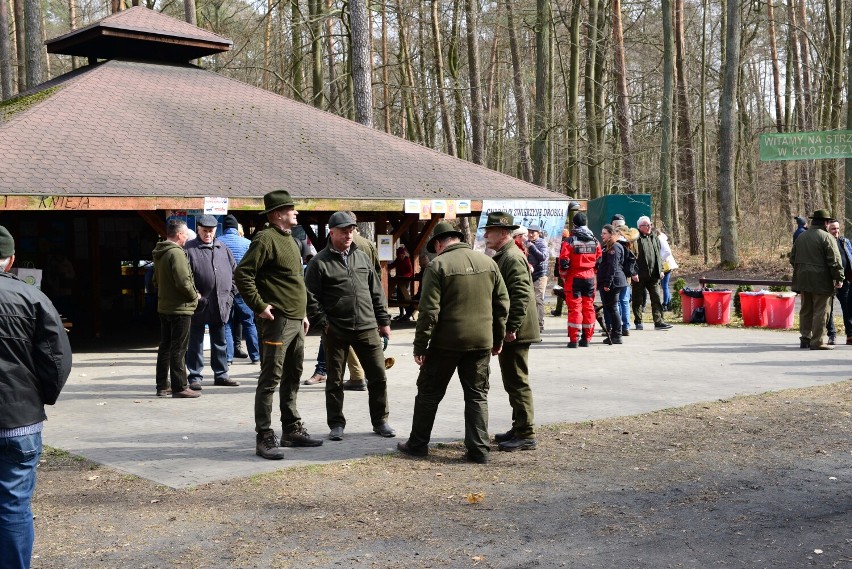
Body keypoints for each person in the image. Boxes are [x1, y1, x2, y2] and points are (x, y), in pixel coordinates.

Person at [397, 222, 509, 464]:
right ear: (457, 238)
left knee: (428, 393)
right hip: (481, 342)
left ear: (439, 243)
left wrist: (420, 346)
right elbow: (502, 304)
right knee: (477, 395)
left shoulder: (437, 265)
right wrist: (497, 338)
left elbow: (428, 311)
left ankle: (417, 444)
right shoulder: (488, 262)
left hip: (445, 344)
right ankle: (479, 450)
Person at [0, 225, 72, 569]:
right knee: (13, 506)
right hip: (19, 421)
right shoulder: (32, 297)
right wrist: (40, 396)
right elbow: (58, 360)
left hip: (19, 416)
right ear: (11, 259)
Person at [235, 190, 324, 459]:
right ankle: (264, 436)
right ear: (276, 215)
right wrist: (259, 306)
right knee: (271, 377)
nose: (295, 212)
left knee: (293, 374)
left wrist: (305, 313)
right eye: (290, 209)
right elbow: (243, 274)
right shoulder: (265, 238)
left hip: (296, 320)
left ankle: (291, 428)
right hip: (277, 322)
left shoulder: (292, 241)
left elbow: (296, 281)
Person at [305, 211, 395, 441]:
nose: (348, 234)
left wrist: (383, 321)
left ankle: (380, 421)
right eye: (344, 231)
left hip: (367, 327)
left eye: (351, 230)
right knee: (335, 380)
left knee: (378, 376)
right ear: (331, 232)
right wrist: (323, 323)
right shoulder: (319, 262)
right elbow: (310, 297)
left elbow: (376, 291)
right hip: (336, 330)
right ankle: (336, 424)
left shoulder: (362, 257)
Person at [483, 212, 540, 452]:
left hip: (517, 332)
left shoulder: (512, 257)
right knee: (512, 381)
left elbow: (521, 296)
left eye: (490, 231)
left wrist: (512, 327)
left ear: (504, 233)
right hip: (513, 330)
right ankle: (519, 427)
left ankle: (526, 433)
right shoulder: (506, 255)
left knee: (517, 381)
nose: (486, 235)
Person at [185, 215, 240, 389]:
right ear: (198, 230)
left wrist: (230, 295)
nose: (208, 234)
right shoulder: (189, 249)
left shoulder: (222, 248)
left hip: (221, 303)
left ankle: (221, 374)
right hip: (199, 304)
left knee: (220, 341)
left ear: (216, 230)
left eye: (211, 231)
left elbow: (235, 275)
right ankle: (195, 376)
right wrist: (196, 296)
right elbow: (185, 277)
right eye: (204, 231)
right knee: (196, 342)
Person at [152, 219, 201, 398]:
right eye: (186, 234)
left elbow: (155, 280)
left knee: (165, 346)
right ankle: (180, 386)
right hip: (180, 307)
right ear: (179, 234)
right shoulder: (177, 253)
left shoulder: (160, 252)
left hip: (164, 306)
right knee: (179, 348)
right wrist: (194, 296)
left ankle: (162, 385)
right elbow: (183, 281)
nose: (187, 237)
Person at [790, 209, 843, 350]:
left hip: (802, 280)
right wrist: (839, 278)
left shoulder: (801, 236)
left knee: (806, 310)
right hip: (821, 281)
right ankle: (818, 341)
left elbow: (792, 258)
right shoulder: (827, 238)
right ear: (825, 223)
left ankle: (805, 339)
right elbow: (835, 262)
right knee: (821, 310)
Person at [218, 214, 259, 364]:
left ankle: (228, 358)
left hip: (225, 288)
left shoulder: (218, 243)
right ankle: (255, 356)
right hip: (243, 287)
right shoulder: (247, 243)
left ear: (224, 228)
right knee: (249, 321)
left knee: (227, 322)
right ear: (236, 228)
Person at [558, 212, 602, 348]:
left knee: (575, 309)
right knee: (588, 307)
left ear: (574, 225)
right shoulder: (595, 241)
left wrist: (564, 275)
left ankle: (574, 340)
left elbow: (564, 262)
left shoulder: (569, 241)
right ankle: (587, 339)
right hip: (589, 278)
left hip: (574, 277)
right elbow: (599, 260)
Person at [631, 216, 673, 331]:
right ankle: (638, 321)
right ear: (640, 227)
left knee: (656, 298)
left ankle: (659, 321)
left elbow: (658, 256)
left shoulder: (654, 238)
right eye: (646, 225)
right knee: (638, 299)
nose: (649, 227)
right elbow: (631, 257)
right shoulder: (635, 239)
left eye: (650, 225)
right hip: (639, 275)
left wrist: (660, 270)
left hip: (654, 275)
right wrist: (633, 272)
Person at [597, 224, 628, 345]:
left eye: (604, 233)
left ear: (611, 234)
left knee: (613, 308)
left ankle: (618, 334)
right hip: (610, 281)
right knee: (610, 308)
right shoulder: (608, 246)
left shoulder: (615, 247)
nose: (602, 235)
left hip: (614, 282)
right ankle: (614, 334)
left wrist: (607, 283)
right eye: (602, 233)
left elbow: (613, 266)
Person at [826, 220, 852, 345]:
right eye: (833, 229)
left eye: (837, 228)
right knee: (828, 310)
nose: (836, 231)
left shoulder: (845, 242)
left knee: (847, 308)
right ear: (827, 230)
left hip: (845, 281)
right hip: (828, 281)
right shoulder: (825, 243)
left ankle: (850, 335)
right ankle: (832, 335)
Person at [525, 225, 549, 332]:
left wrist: (531, 247)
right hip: (529, 274)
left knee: (538, 299)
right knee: (530, 299)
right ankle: (531, 322)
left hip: (540, 275)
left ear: (538, 233)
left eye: (533, 233)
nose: (530, 235)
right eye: (529, 232)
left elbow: (542, 256)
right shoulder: (526, 243)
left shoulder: (541, 243)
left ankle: (539, 324)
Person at [655, 225, 678, 311]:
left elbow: (667, 252)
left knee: (664, 285)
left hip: (666, 265)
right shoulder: (661, 239)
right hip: (665, 264)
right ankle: (667, 303)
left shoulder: (660, 240)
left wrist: (660, 259)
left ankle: (665, 303)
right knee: (664, 285)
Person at [389, 246, 414, 321]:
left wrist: (404, 277)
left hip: (405, 281)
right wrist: (384, 266)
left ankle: (407, 313)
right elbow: (392, 265)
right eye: (399, 256)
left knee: (404, 296)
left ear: (404, 255)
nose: (400, 257)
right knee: (399, 296)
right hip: (398, 280)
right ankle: (401, 313)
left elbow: (410, 272)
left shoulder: (407, 260)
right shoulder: (397, 260)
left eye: (402, 255)